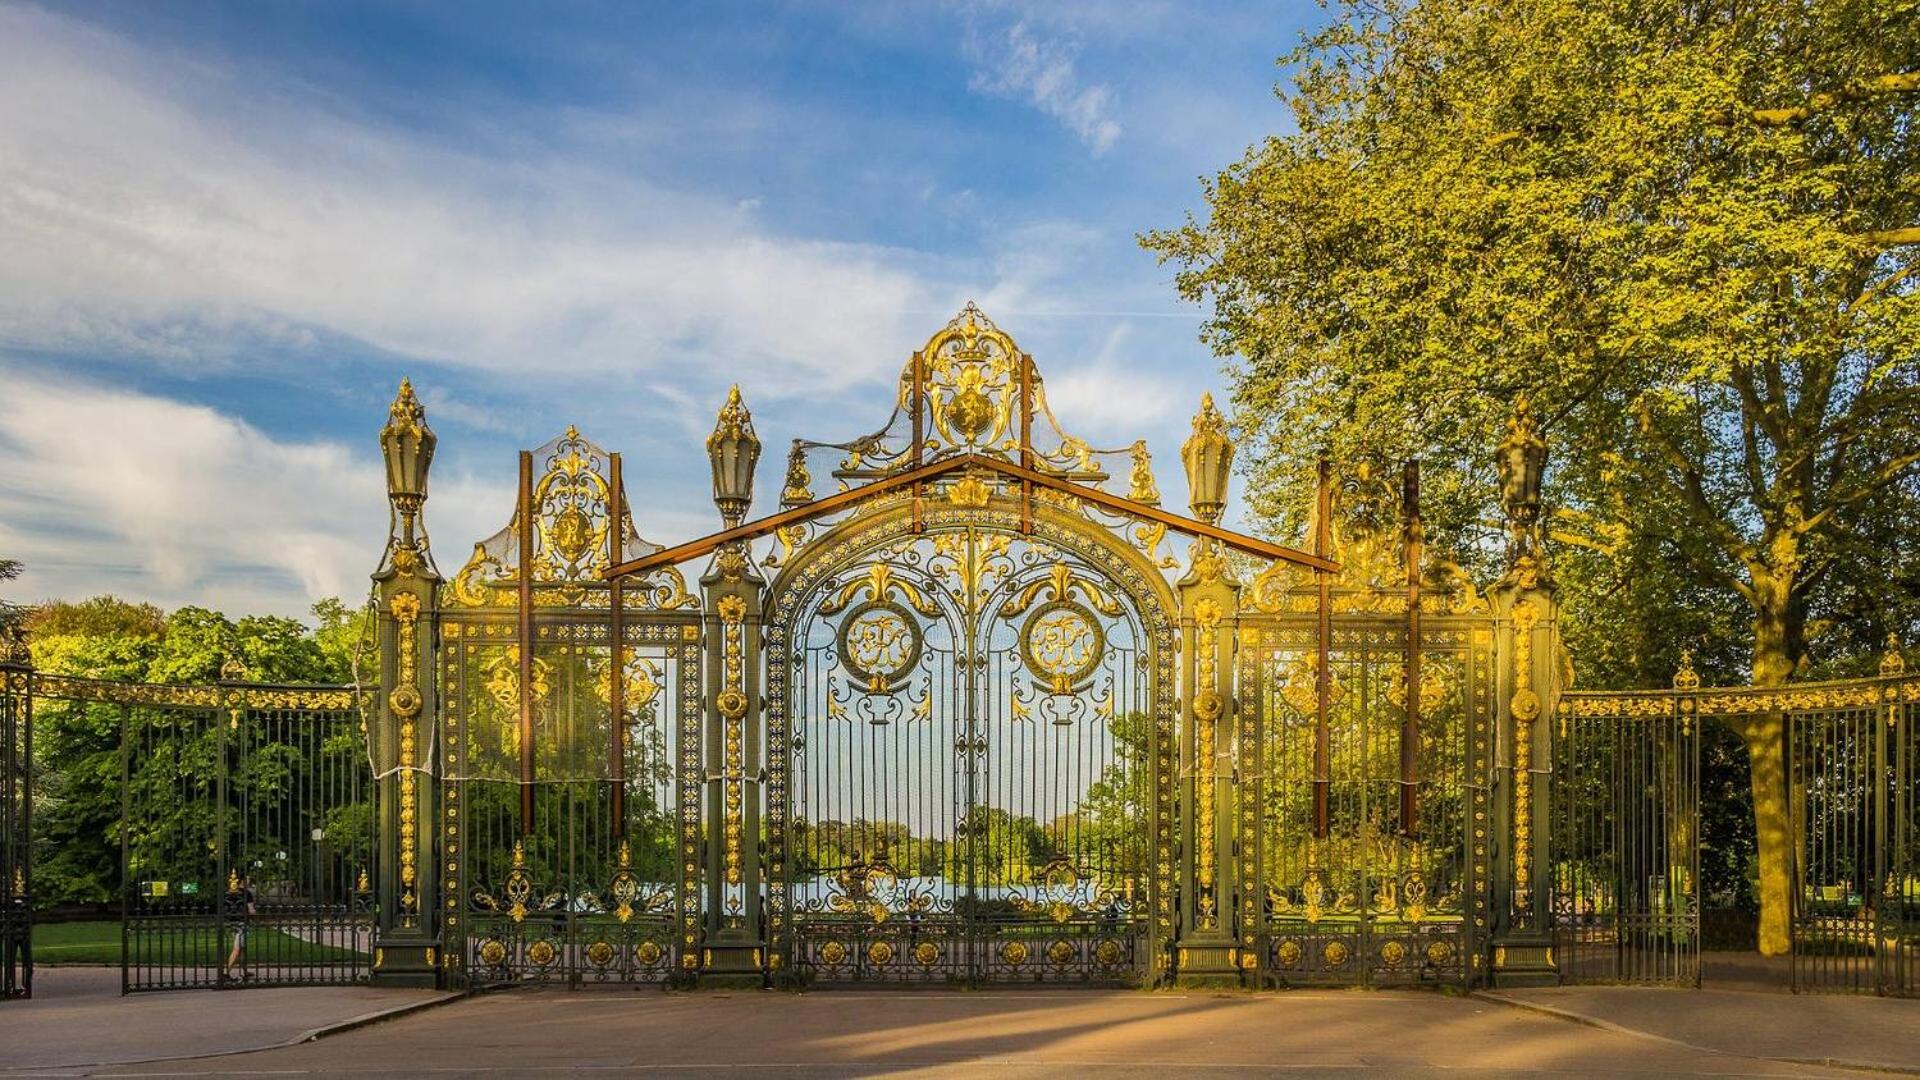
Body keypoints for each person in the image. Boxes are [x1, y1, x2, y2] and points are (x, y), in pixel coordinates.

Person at [223, 873, 256, 978]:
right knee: (237, 948)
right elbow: (251, 910)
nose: (249, 882)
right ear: (242, 881)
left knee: (242, 948)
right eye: (248, 880)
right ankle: (225, 972)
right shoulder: (247, 893)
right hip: (242, 923)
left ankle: (244, 972)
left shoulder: (230, 892)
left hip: (232, 923)